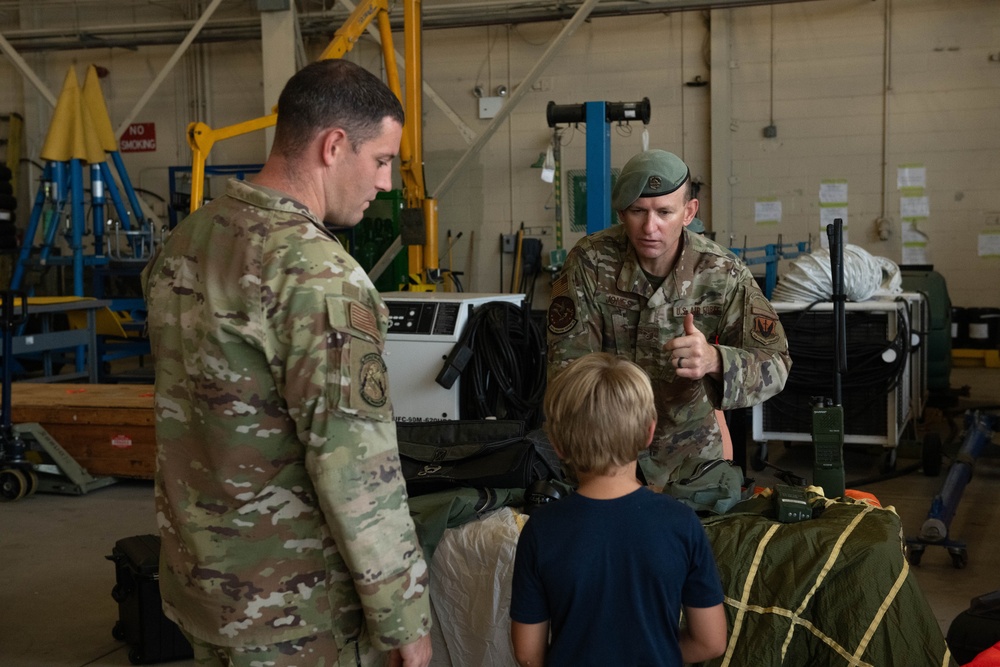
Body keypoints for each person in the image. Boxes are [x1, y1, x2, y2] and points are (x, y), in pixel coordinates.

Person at [141, 59, 432, 667]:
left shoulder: (187, 242)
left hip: (204, 589)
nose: (386, 183)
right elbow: (356, 472)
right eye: (381, 160)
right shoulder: (320, 276)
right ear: (333, 146)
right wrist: (404, 617)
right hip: (295, 613)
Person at [546, 149, 791, 487]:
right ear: (621, 212)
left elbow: (776, 362)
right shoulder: (590, 262)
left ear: (689, 212)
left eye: (664, 212)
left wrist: (715, 360)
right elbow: (566, 368)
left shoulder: (721, 272)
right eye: (638, 212)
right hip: (605, 453)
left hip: (689, 464)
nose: (650, 227)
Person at [509, 352, 728, 666]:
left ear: (556, 443)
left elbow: (528, 655)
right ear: (649, 432)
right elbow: (711, 641)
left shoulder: (540, 530)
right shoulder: (681, 523)